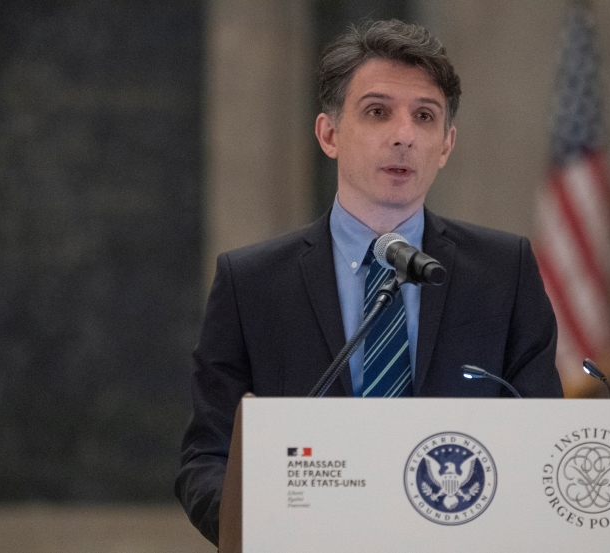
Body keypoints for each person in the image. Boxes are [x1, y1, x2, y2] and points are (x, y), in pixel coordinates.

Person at [176, 19, 563, 545]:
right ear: (329, 135)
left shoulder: (504, 272)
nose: (404, 135)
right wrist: (258, 526)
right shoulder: (251, 284)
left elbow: (543, 441)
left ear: (446, 145)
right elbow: (208, 456)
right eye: (378, 112)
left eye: (424, 116)